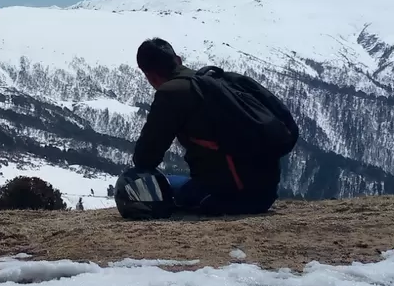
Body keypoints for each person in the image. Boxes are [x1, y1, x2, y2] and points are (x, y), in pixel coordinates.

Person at [121, 38, 299, 218]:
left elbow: (146, 157)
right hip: (264, 194)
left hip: (225, 196)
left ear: (150, 76)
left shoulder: (171, 93)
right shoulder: (214, 82)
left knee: (143, 183)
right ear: (179, 60)